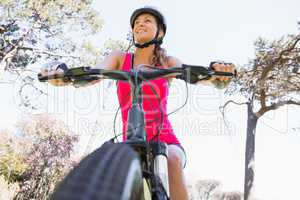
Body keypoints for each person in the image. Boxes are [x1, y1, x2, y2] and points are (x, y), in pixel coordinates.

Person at [42, 7, 235, 200]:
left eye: (147, 21)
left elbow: (193, 74)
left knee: (173, 159)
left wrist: (215, 76)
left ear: (160, 32)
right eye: (136, 23)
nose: (140, 24)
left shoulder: (167, 62)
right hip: (131, 140)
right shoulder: (119, 58)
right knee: (107, 168)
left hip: (165, 139)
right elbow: (94, 73)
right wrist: (66, 76)